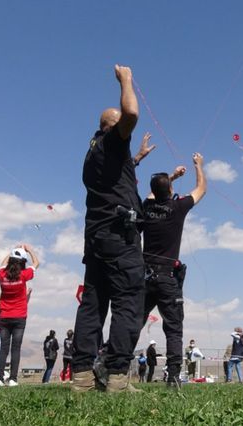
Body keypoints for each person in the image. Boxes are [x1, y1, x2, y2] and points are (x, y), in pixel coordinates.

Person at [71, 65, 146, 394]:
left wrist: (138, 156)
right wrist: (126, 80)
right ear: (113, 128)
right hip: (120, 238)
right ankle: (117, 376)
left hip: (97, 237)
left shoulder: (94, 153)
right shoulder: (114, 141)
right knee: (128, 301)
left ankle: (82, 377)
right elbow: (130, 112)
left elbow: (118, 176)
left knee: (93, 303)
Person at [140, 152, 207, 387]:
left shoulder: (146, 207)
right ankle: (174, 376)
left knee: (134, 321)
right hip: (168, 278)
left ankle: (113, 366)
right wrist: (198, 165)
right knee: (174, 328)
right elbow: (201, 189)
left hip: (144, 277)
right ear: (169, 191)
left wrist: (171, 177)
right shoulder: (177, 207)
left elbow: (153, 193)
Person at [0, 245, 39, 387]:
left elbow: (2, 264)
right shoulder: (24, 275)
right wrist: (29, 250)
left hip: (4, 317)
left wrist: (12, 250)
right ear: (22, 263)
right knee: (16, 348)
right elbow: (36, 263)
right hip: (19, 317)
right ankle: (13, 379)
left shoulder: (2, 276)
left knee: (3, 348)